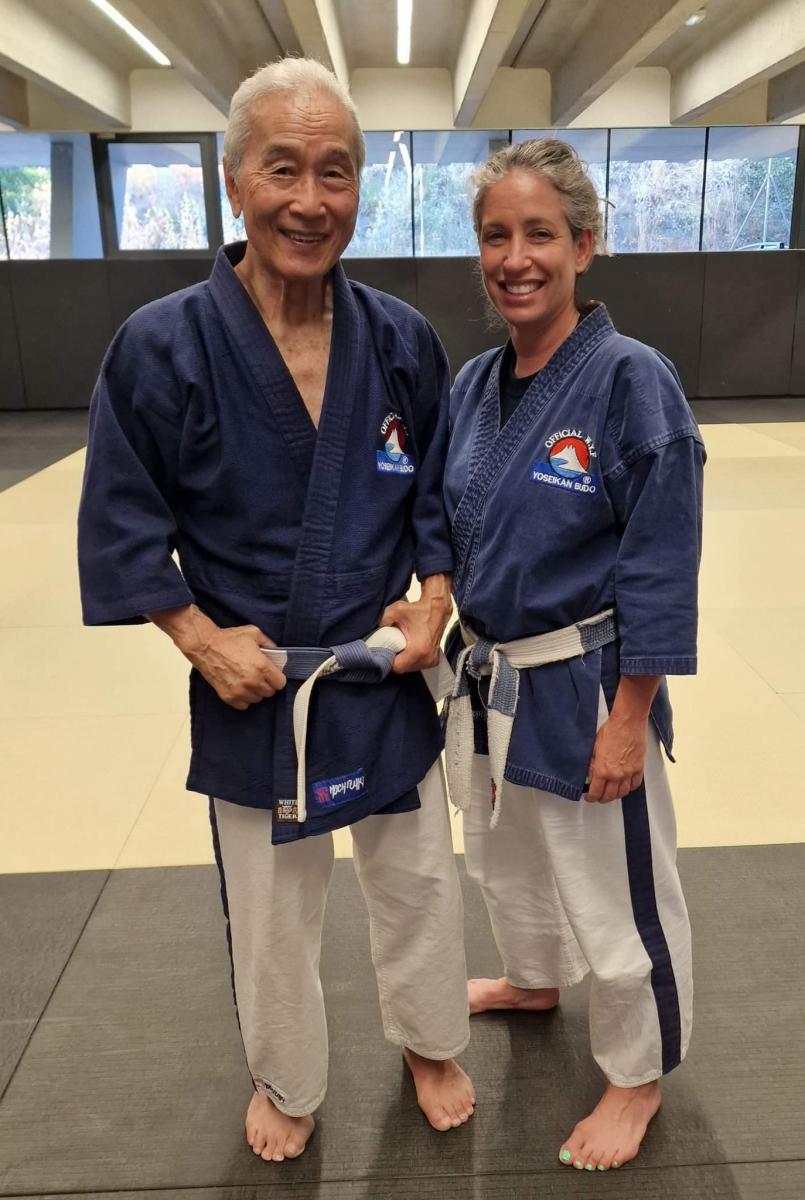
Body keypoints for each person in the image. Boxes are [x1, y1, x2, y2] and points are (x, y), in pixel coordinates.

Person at [78, 57, 475, 1163]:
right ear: (232, 180)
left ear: (360, 188)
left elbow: (438, 499)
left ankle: (429, 1039)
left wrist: (434, 602)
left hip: (379, 665)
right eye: (282, 168)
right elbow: (121, 518)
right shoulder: (159, 344)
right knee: (269, 910)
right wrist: (200, 641)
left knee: (417, 881)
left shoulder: (400, 338)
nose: (309, 199)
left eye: (334, 171)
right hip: (255, 677)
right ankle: (287, 1075)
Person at [443, 138, 705, 1173]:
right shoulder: (473, 383)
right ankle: (531, 977)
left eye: (539, 234)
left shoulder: (632, 379)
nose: (514, 258)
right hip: (491, 676)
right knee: (504, 858)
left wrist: (630, 715)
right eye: (495, 236)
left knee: (614, 888)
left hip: (587, 680)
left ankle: (637, 1073)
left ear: (584, 245)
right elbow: (443, 525)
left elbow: (660, 560)